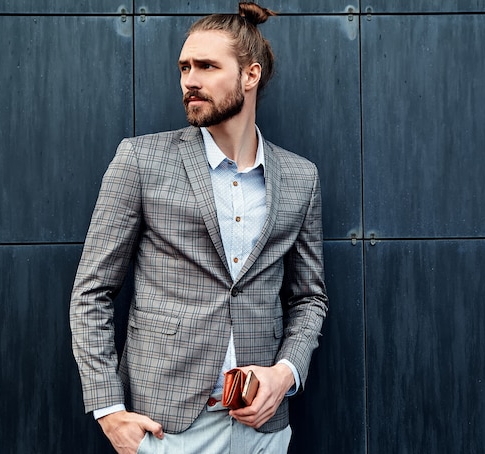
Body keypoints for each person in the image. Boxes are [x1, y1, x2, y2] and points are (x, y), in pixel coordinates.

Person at [69, 2, 328, 453]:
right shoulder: (140, 160)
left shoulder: (301, 177)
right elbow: (92, 292)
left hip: (263, 429)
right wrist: (109, 411)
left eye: (207, 66)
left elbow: (309, 298)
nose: (190, 80)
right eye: (184, 67)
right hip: (164, 428)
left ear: (250, 75)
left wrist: (285, 373)